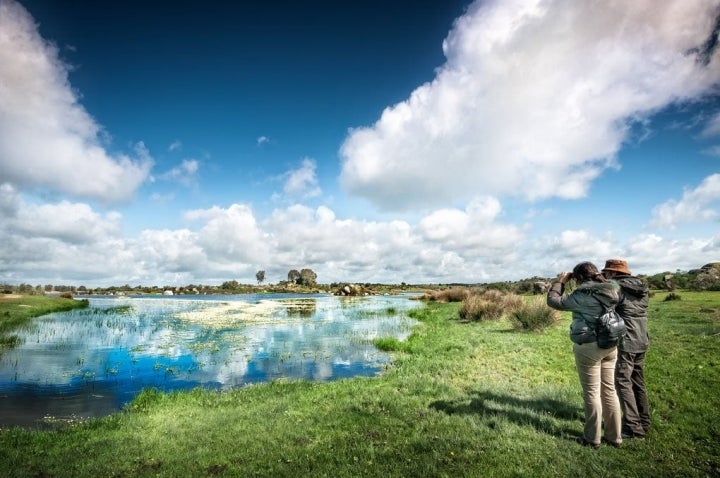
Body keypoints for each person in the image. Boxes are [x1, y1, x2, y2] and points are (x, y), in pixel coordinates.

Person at [546, 261, 623, 449]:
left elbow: (554, 302)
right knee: (609, 391)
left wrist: (561, 282)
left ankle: (592, 438)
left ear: (578, 278)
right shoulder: (612, 289)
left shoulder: (582, 294)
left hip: (590, 345)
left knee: (591, 392)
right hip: (611, 343)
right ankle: (615, 437)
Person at [601, 259, 650, 439]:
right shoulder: (641, 287)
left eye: (606, 272)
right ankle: (644, 422)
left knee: (622, 381)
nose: (604, 275)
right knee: (637, 381)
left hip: (626, 339)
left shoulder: (615, 287)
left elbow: (607, 309)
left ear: (613, 273)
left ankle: (633, 427)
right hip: (642, 337)